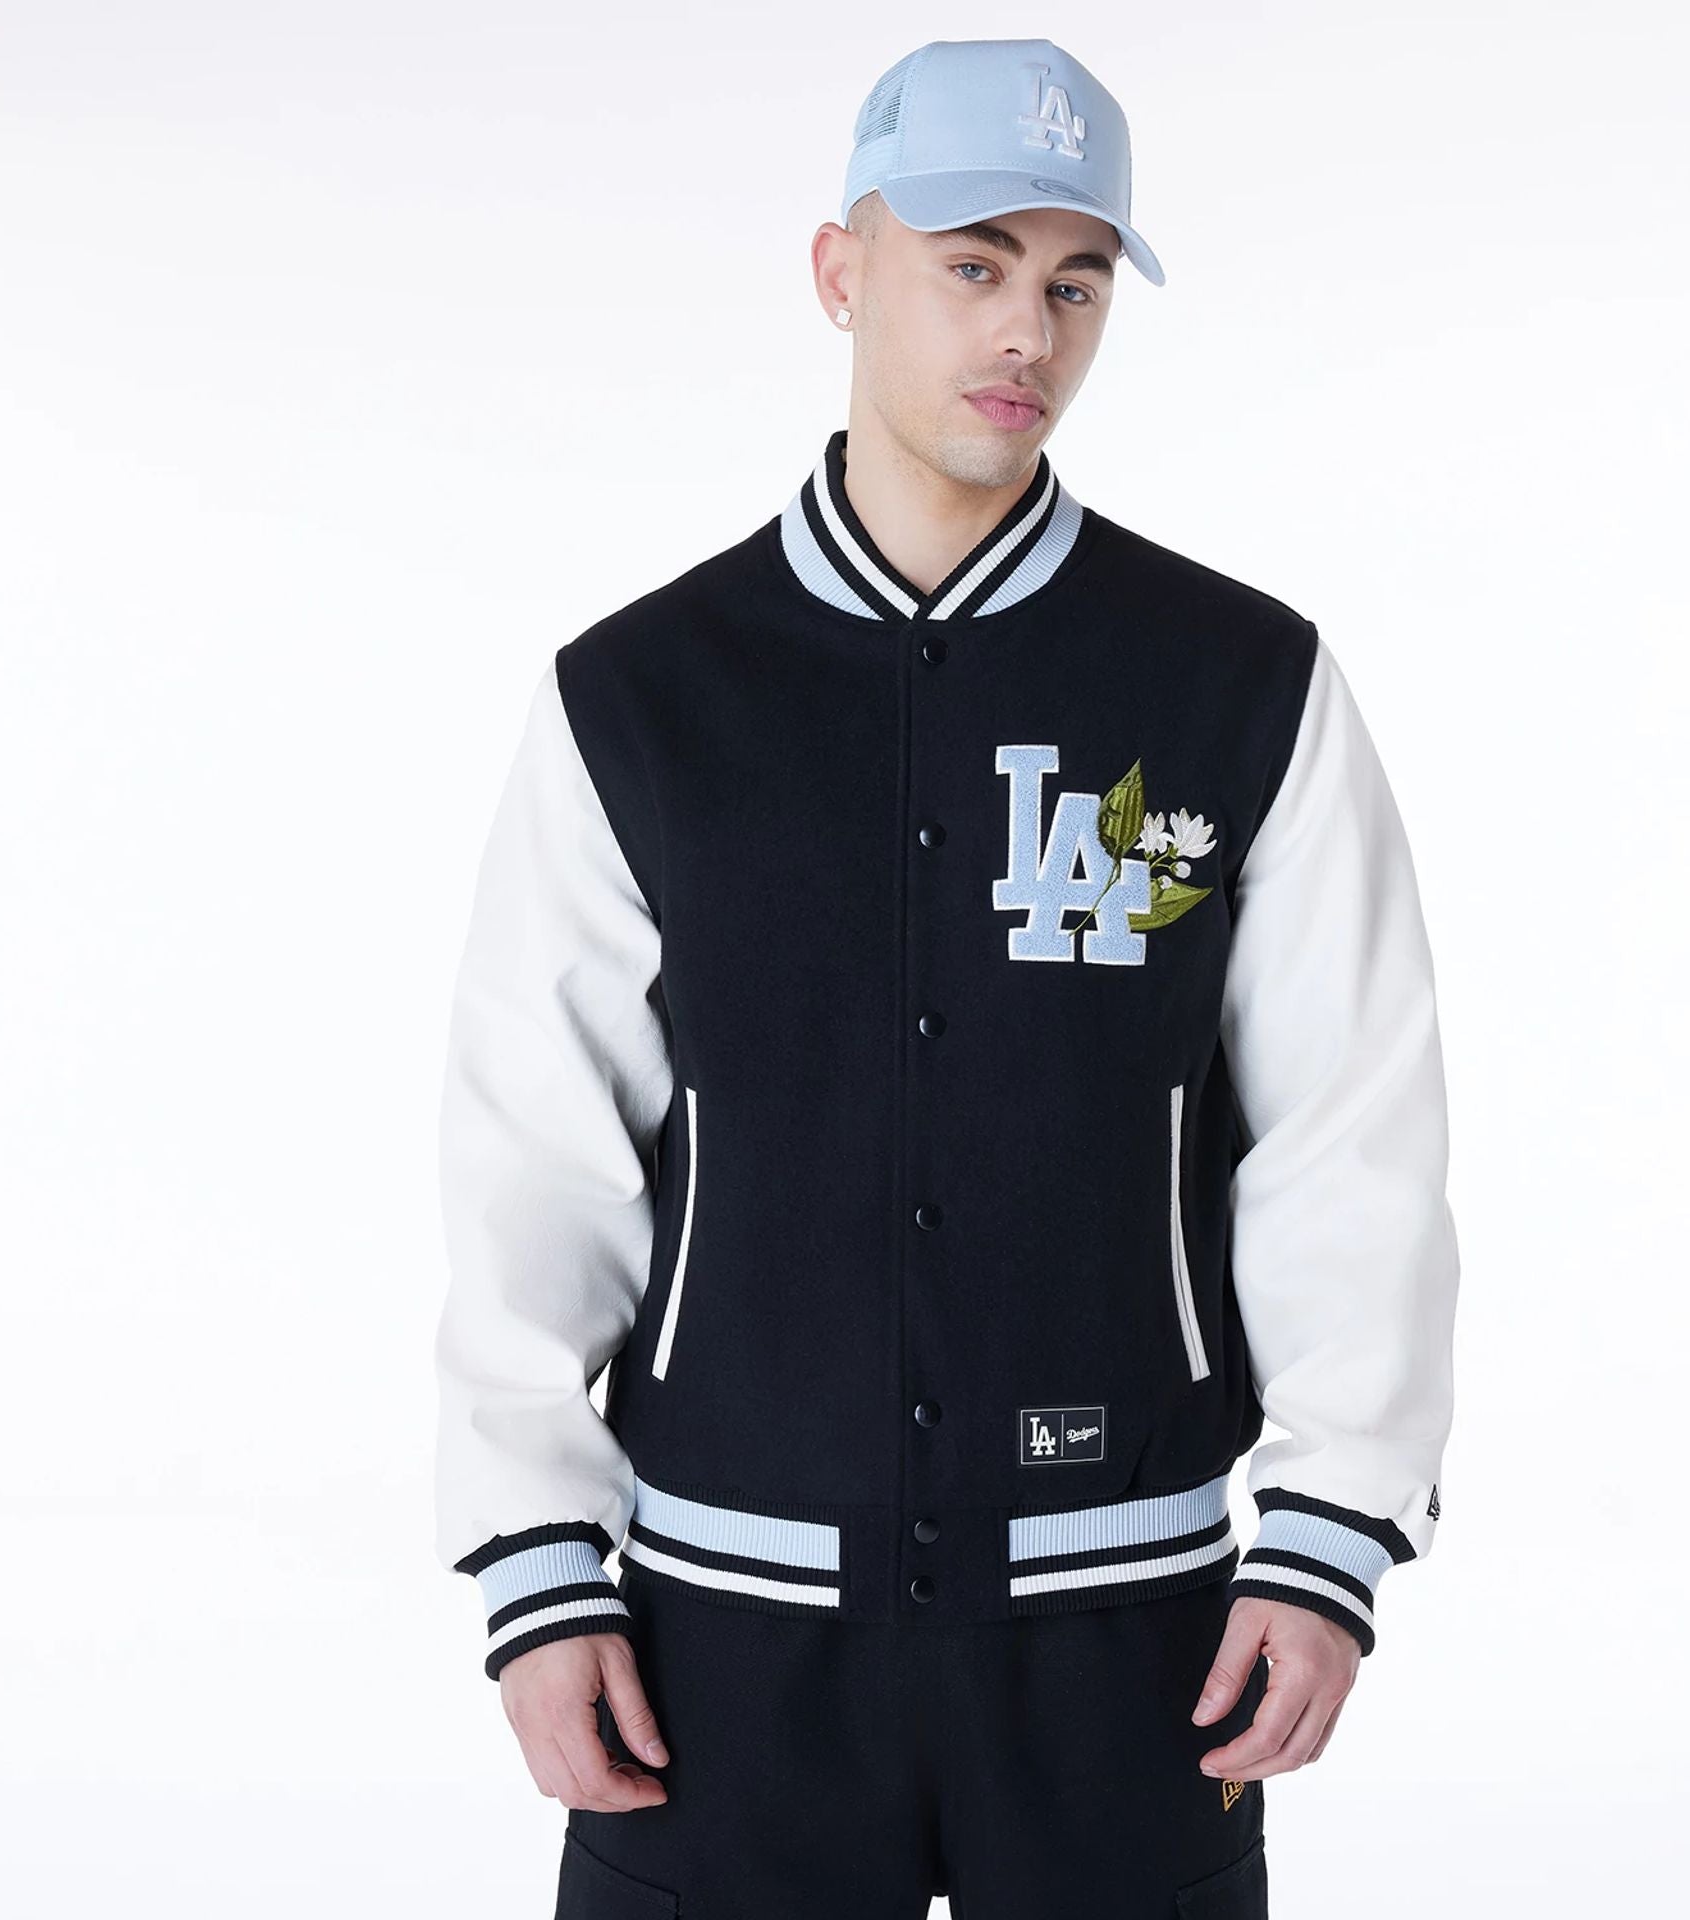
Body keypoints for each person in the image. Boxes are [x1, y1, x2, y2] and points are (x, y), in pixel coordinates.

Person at [431, 36, 1460, 1919]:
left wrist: (1334, 1532)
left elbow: (1352, 1128)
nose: (1025, 334)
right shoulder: (642, 701)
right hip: (718, 1647)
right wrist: (536, 1565)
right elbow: (534, 1157)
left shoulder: (1237, 688)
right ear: (843, 271)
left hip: (1131, 1644)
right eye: (972, 263)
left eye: (1076, 282)